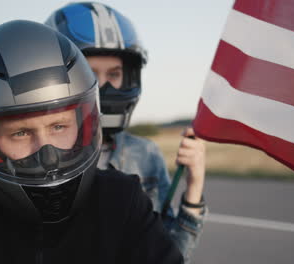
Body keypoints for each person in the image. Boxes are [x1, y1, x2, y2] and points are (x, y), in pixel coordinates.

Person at [0, 20, 183, 264]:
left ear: (84, 127)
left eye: (58, 126)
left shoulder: (121, 201)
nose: (48, 156)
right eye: (20, 133)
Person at [46, 3, 207, 263]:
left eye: (114, 74)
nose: (106, 86)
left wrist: (194, 188)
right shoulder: (44, 158)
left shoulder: (145, 154)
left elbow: (170, 253)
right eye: (91, 73)